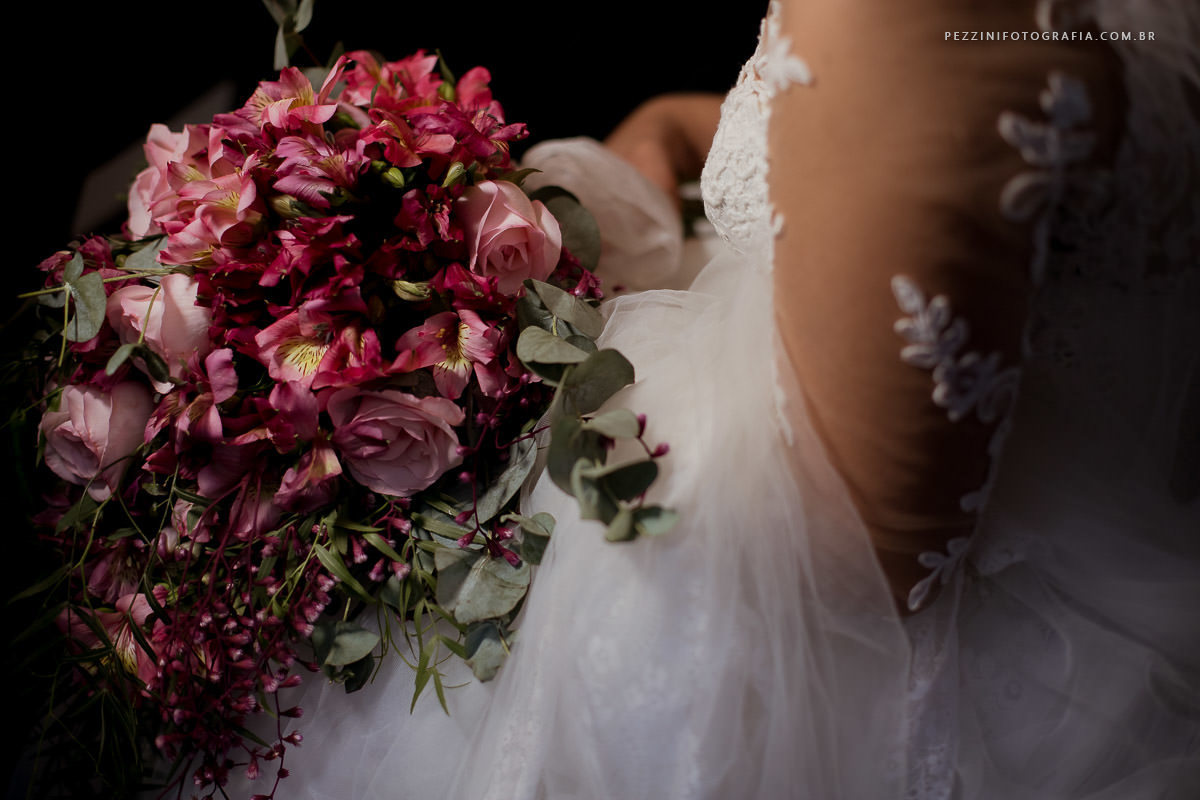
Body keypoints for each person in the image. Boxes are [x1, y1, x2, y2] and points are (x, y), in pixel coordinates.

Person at [220, 1, 1200, 797]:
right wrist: (669, 139)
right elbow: (863, 130)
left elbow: (860, 560)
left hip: (891, 623)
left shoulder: (908, 22)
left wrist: (484, 352)